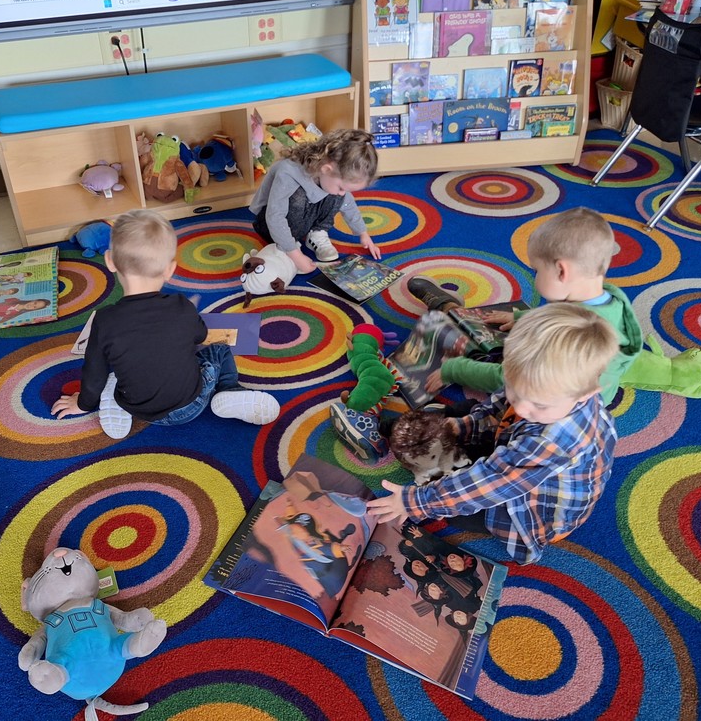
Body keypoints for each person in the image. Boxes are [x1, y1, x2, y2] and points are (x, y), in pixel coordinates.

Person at [367, 303, 620, 565]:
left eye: (538, 403)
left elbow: (489, 483)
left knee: (449, 488)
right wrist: (460, 426)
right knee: (470, 412)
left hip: (529, 510)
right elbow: (498, 409)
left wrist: (416, 502)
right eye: (514, 388)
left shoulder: (553, 440)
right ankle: (435, 428)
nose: (521, 406)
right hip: (516, 455)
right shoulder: (544, 394)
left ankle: (426, 440)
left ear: (587, 393)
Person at [52, 209, 279, 438]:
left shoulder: (104, 320)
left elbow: (94, 373)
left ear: (110, 261)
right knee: (219, 350)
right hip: (193, 404)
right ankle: (230, 389)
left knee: (121, 371)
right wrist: (188, 316)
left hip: (140, 408)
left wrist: (82, 404)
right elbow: (200, 337)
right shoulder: (181, 306)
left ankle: (115, 397)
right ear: (170, 269)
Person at [407, 207, 643, 406]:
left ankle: (447, 308)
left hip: (553, 402)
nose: (534, 275)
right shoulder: (611, 299)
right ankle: (448, 308)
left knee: (477, 355)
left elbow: (509, 378)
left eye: (537, 270)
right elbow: (569, 311)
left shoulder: (564, 336)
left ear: (562, 270)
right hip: (578, 385)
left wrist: (454, 371)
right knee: (484, 328)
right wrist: (523, 317)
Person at [249, 128, 381, 274]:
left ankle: (317, 233)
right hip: (270, 224)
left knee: (337, 195)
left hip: (303, 217)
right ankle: (287, 246)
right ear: (326, 169)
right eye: (342, 187)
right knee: (301, 195)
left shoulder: (330, 178)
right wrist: (295, 255)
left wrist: (363, 233)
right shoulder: (288, 172)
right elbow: (275, 216)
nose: (344, 193)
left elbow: (347, 203)